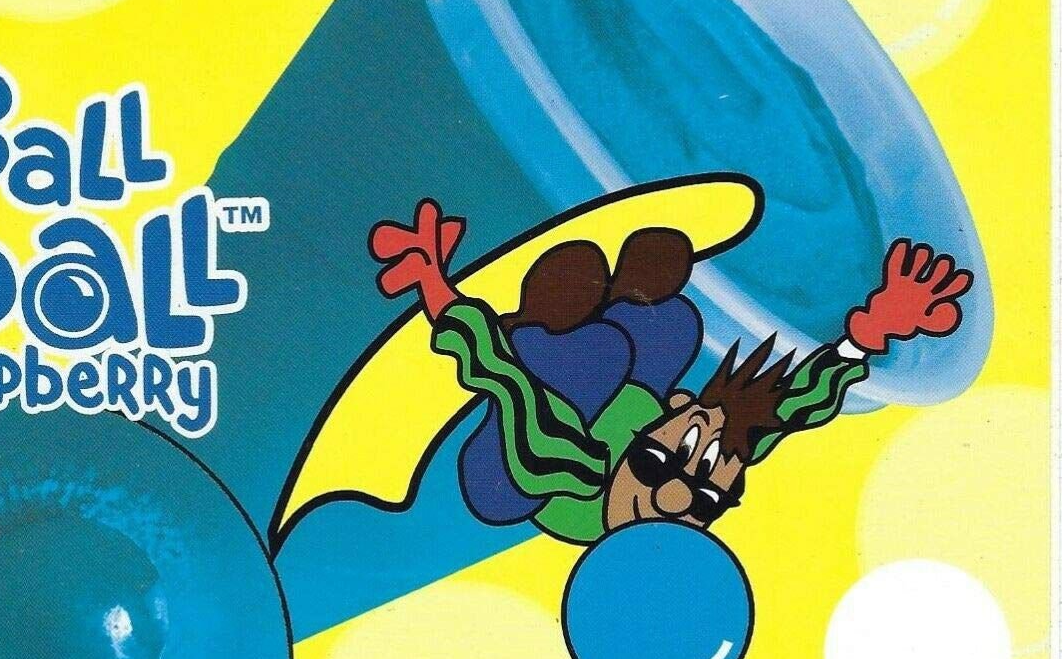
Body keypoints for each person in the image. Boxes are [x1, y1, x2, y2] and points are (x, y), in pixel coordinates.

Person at [368, 198, 974, 545]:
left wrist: (433, 284)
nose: (679, 494)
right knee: (675, 325)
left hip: (511, 476)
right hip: (618, 408)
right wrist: (867, 335)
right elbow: (789, 409)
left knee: (602, 355)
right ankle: (614, 300)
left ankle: (551, 319)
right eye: (702, 491)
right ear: (682, 408)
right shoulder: (708, 438)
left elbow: (504, 375)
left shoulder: (564, 462)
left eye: (663, 469)